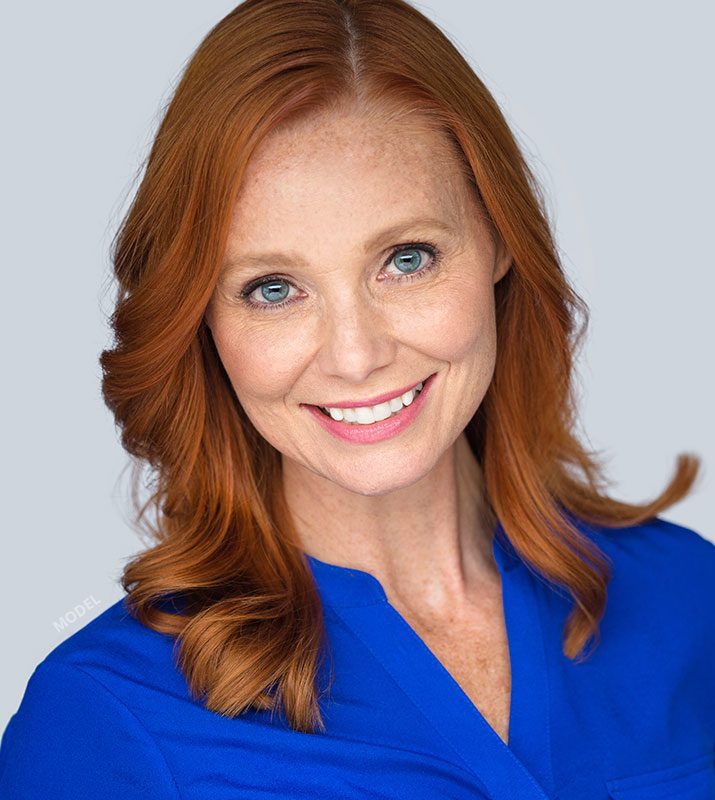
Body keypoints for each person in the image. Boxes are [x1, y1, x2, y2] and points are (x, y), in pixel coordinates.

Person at [1, 0, 713, 797]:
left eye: (406, 259)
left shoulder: (690, 600)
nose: (355, 354)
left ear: (501, 240)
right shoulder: (101, 721)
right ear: (199, 319)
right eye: (273, 288)